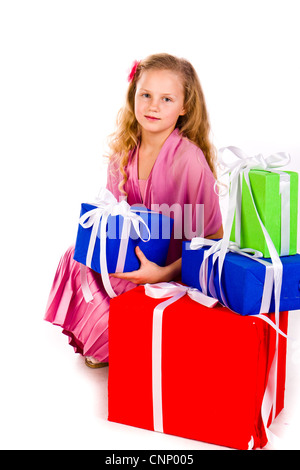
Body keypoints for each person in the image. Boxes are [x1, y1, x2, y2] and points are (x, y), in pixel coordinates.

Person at [45, 53, 223, 368]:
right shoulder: (123, 153)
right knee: (76, 256)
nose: (154, 105)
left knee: (134, 291)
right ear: (134, 97)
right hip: (132, 262)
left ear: (183, 107)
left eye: (166, 99)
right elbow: (116, 221)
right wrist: (101, 248)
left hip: (175, 273)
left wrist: (163, 272)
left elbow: (212, 239)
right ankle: (110, 339)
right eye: (146, 95)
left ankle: (126, 343)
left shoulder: (189, 162)